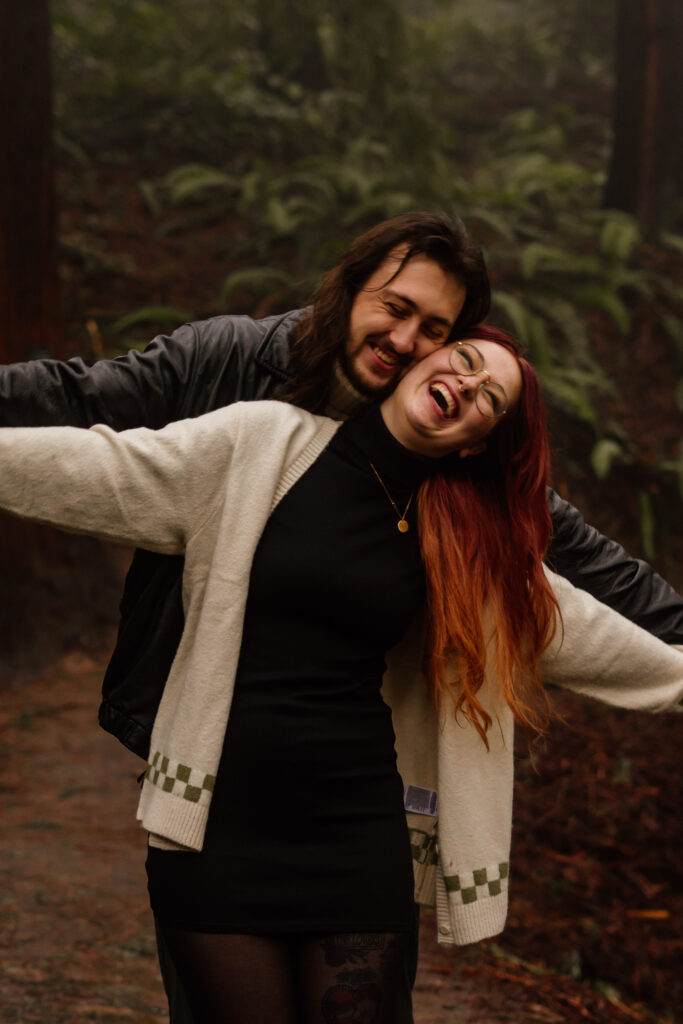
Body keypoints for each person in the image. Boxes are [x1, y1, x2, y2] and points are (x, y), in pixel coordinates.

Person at [2, 212, 682, 1023]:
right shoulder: (250, 425)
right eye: (400, 312)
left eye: (440, 336)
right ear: (352, 288)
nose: (415, 345)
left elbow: (588, 613)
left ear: (478, 439)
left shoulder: (462, 532)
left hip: (355, 834)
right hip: (220, 820)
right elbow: (91, 448)